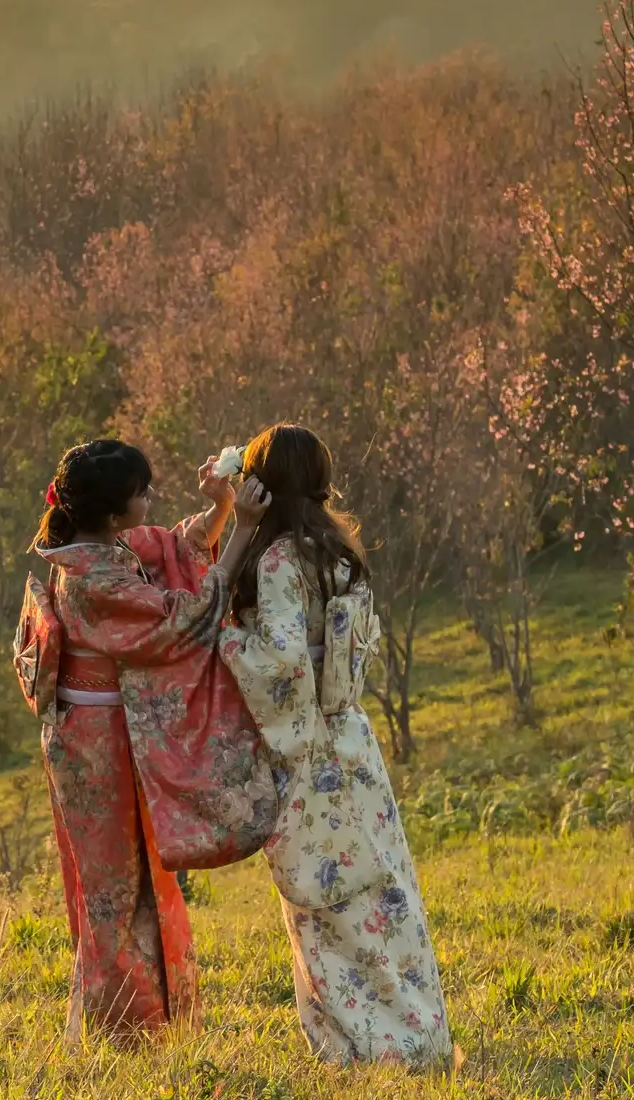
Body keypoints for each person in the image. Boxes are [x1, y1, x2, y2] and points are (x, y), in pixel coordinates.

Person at [217, 424, 451, 1067]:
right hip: (353, 740)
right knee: (383, 891)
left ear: (263, 484)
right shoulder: (341, 554)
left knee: (323, 901)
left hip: (306, 752)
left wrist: (225, 639)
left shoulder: (276, 562)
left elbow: (284, 664)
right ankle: (420, 1032)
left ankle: (360, 1044)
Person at [26, 439, 271, 1042]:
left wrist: (218, 510)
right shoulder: (95, 575)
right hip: (93, 743)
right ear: (112, 515)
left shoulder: (96, 550)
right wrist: (242, 530)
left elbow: (173, 545)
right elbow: (185, 617)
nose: (150, 501)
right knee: (113, 886)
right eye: (141, 493)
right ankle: (123, 1035)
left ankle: (139, 1025)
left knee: (131, 880)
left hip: (100, 733)